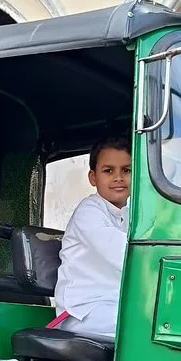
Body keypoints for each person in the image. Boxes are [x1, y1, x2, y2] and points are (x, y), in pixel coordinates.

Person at [52, 135, 131, 338]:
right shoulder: (89, 212)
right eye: (108, 171)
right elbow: (126, 255)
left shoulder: (131, 213)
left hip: (114, 306)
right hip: (83, 311)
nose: (118, 178)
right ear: (93, 178)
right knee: (145, 324)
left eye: (126, 170)